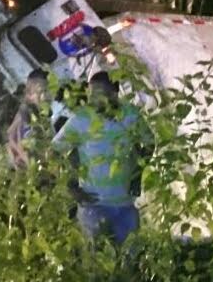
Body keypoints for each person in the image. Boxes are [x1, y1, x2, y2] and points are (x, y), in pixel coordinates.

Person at [52, 71, 144, 245]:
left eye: (100, 94)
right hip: (94, 206)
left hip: (125, 205)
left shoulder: (130, 115)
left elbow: (148, 143)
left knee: (131, 260)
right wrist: (71, 187)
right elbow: (54, 152)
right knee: (100, 259)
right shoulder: (81, 120)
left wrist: (137, 175)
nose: (94, 100)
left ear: (114, 93)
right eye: (91, 94)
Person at [6, 68, 49, 170]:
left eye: (46, 91)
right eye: (42, 91)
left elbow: (10, 134)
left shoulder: (29, 111)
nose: (46, 96)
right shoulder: (27, 111)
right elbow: (15, 138)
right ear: (30, 93)